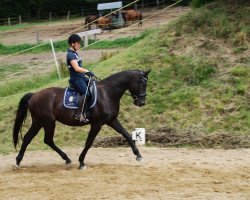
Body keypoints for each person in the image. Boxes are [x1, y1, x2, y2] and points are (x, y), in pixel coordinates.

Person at [66, 34, 94, 122]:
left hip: (81, 77)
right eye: (78, 43)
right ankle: (79, 114)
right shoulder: (70, 55)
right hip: (76, 79)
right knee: (86, 93)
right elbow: (77, 68)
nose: (79, 45)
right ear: (73, 44)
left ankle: (89, 109)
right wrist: (87, 71)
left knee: (93, 83)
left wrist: (87, 73)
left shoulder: (75, 54)